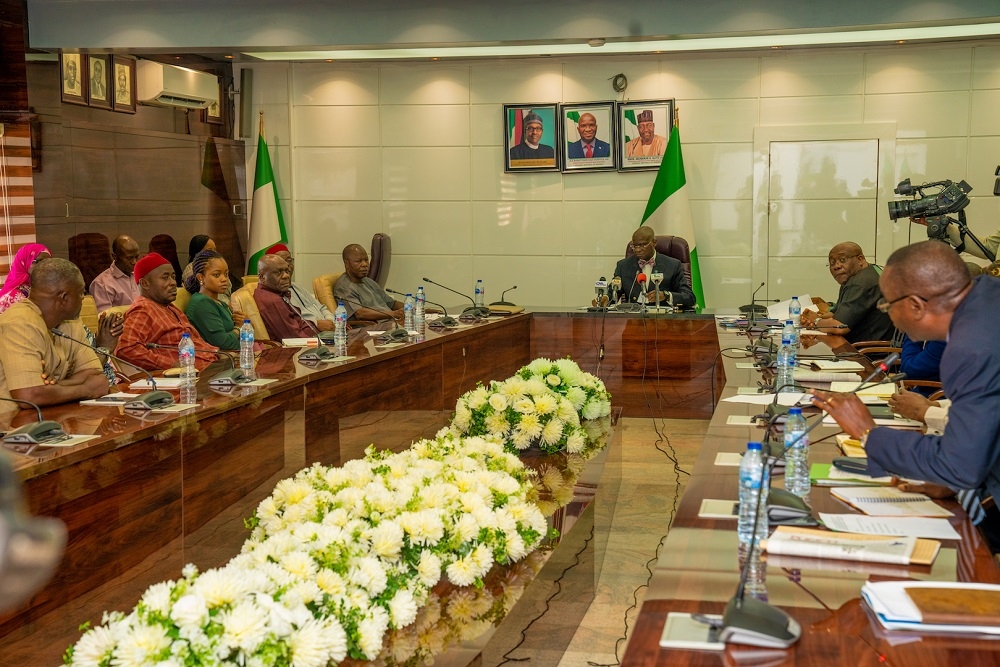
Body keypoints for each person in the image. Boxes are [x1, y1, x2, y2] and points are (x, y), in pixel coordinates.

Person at [813, 241, 1000, 542]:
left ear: (915, 304)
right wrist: (949, 478)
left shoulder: (970, 350)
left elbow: (958, 464)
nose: (887, 314)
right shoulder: (988, 299)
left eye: (887, 305)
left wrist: (868, 432)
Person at [0, 259, 109, 418]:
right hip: (10, 428)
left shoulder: (71, 321)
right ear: (64, 297)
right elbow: (29, 396)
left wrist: (54, 387)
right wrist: (85, 390)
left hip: (50, 419)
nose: (84, 298)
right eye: (81, 293)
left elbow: (95, 375)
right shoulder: (20, 323)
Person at [116, 253, 218, 371]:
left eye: (173, 277)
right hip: (188, 379)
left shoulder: (169, 307)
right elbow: (126, 349)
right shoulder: (143, 309)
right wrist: (173, 365)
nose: (173, 283)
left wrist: (217, 352)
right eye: (165, 278)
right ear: (145, 284)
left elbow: (196, 343)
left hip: (210, 367)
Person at [800, 242, 895, 344]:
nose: (836, 266)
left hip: (867, 352)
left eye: (842, 260)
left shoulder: (860, 283)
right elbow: (835, 314)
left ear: (860, 259)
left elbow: (839, 326)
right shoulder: (866, 273)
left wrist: (816, 321)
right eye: (832, 263)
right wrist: (812, 318)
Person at [611, 226, 695, 308]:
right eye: (634, 246)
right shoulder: (623, 266)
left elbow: (689, 297)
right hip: (634, 319)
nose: (637, 250)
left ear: (654, 243)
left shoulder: (672, 265)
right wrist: (605, 298)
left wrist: (666, 295)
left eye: (642, 245)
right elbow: (613, 291)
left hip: (663, 319)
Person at [265, 244, 335, 331]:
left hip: (329, 331)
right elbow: (291, 323)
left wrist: (331, 321)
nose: (287, 265)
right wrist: (316, 324)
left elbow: (321, 308)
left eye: (289, 260)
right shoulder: (274, 295)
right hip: (311, 334)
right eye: (281, 262)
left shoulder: (297, 286)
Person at [184, 250, 244, 350]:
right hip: (221, 361)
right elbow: (223, 343)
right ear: (201, 277)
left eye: (226, 274)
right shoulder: (201, 303)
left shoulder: (219, 302)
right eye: (216, 275)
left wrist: (245, 323)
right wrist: (239, 328)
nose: (224, 279)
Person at [252, 254, 319, 341]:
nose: (286, 276)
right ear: (262, 277)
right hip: (300, 349)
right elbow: (295, 339)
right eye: (278, 272)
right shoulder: (273, 302)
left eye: (286, 271)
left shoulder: (276, 293)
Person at [334, 244, 404, 323]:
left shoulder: (368, 281)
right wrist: (393, 314)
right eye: (358, 261)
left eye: (366, 260)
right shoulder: (344, 288)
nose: (365, 264)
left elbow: (392, 303)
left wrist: (409, 309)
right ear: (347, 264)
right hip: (376, 328)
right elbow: (360, 314)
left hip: (393, 322)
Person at [90, 234, 141, 312]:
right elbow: (105, 318)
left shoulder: (142, 275)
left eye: (137, 257)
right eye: (129, 258)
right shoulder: (102, 284)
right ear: (115, 257)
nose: (134, 262)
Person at [0, 244, 51, 313]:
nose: (46, 266)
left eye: (49, 262)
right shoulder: (12, 296)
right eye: (39, 261)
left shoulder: (46, 288)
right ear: (24, 262)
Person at [182, 235, 231, 306]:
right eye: (210, 250)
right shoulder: (191, 268)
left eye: (215, 250)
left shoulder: (219, 266)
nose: (214, 253)